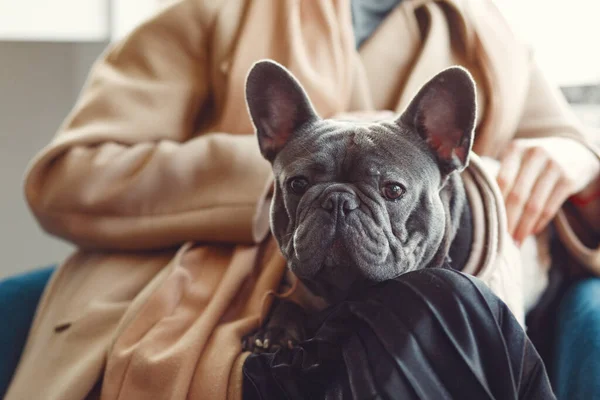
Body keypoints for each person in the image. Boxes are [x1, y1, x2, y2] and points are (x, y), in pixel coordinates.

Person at [2, 0, 599, 399]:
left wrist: (575, 158)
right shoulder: (215, 10)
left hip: (432, 290)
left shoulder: (483, 29)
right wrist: (290, 174)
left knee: (446, 301)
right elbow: (67, 175)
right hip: (227, 294)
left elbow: (571, 150)